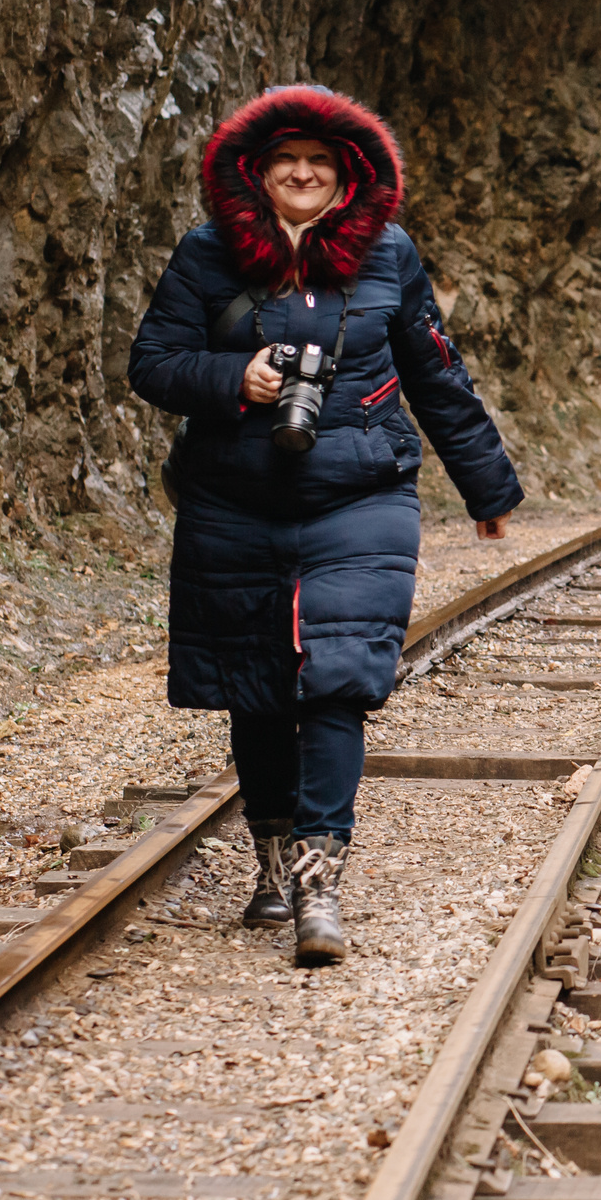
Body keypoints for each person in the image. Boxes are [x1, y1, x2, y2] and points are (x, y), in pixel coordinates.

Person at [129, 86, 523, 967]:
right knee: (257, 687)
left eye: (319, 161)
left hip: (361, 494)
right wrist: (238, 378)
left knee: (338, 680)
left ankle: (319, 882)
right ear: (257, 174)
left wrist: (487, 488)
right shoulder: (207, 255)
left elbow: (438, 376)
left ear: (349, 176)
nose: (302, 173)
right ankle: (271, 866)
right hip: (234, 498)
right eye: (285, 161)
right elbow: (151, 364)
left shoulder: (389, 255)